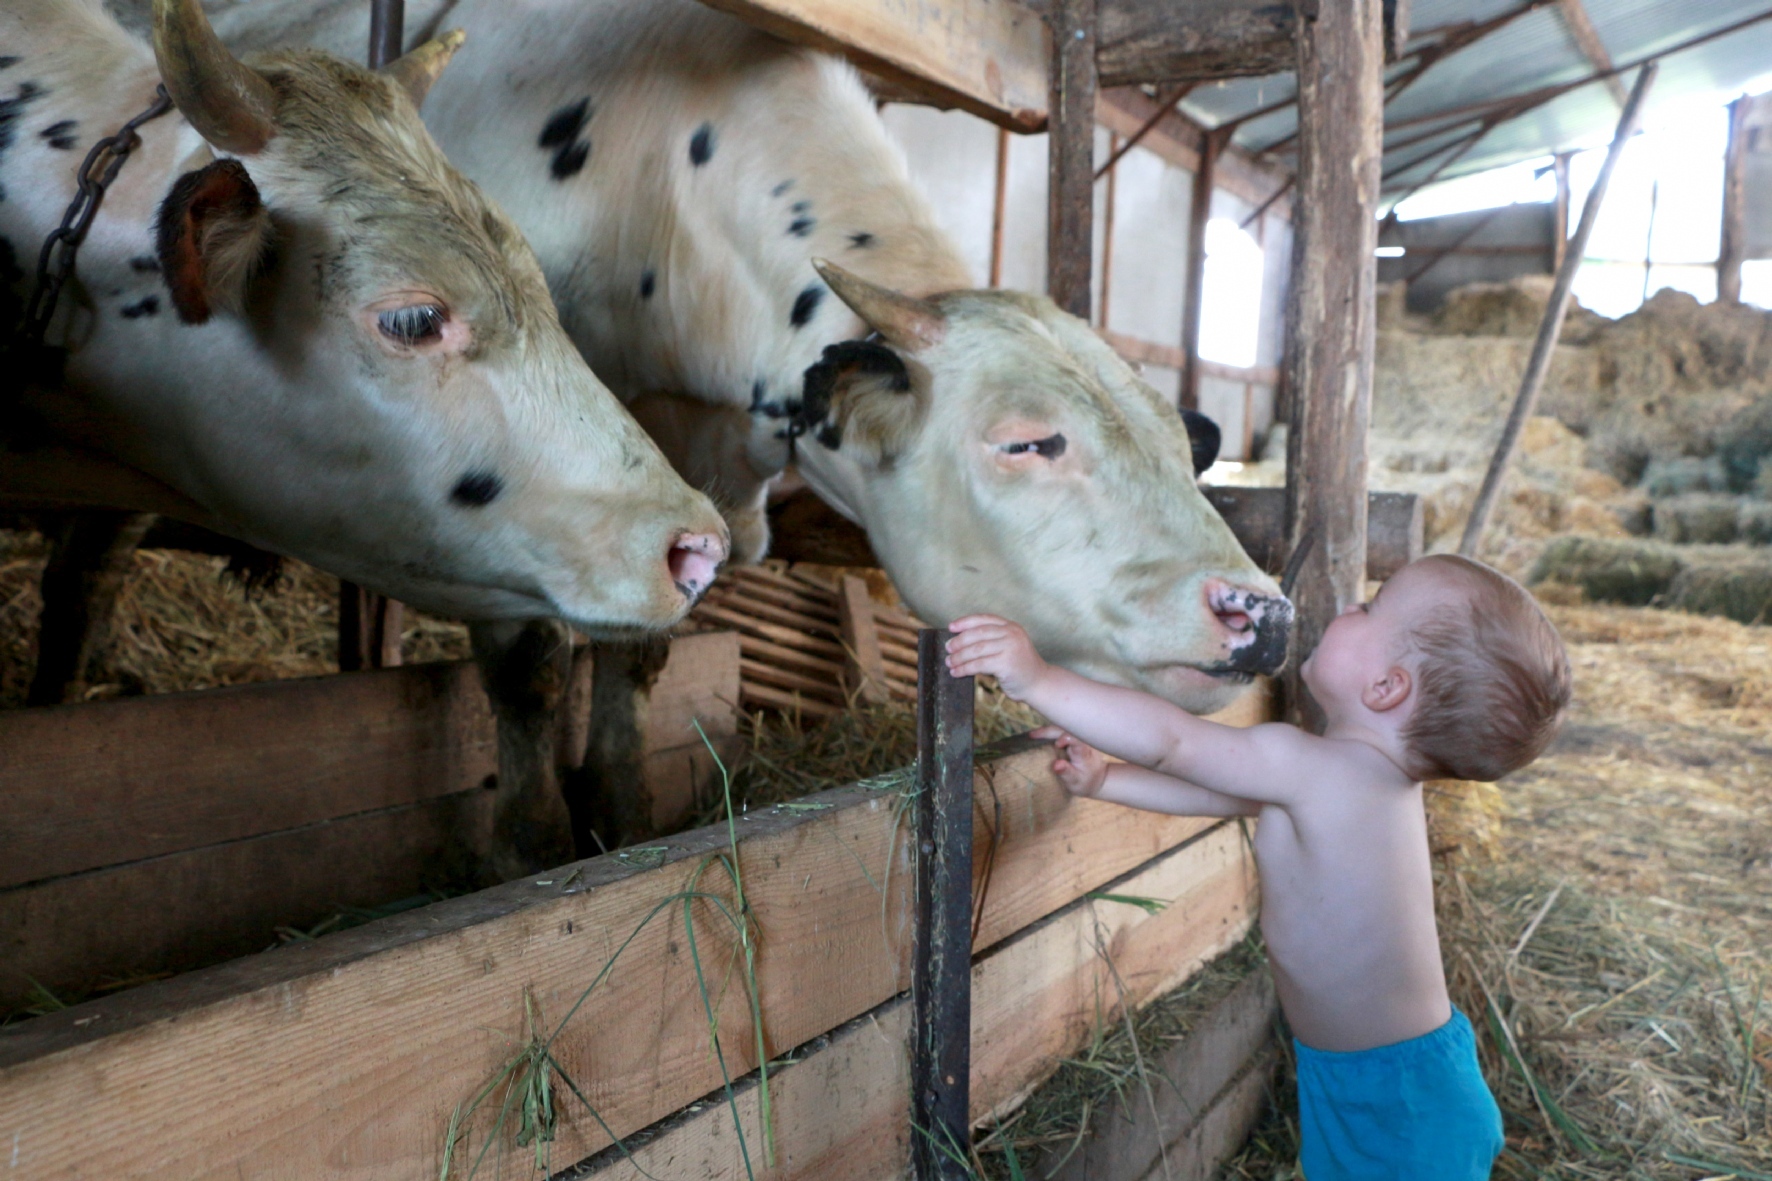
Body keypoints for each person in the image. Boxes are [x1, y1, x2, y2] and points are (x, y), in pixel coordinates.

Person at [945, 554, 1571, 1181]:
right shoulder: (1352, 782)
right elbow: (1218, 793)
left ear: (1387, 688)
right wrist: (1109, 778)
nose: (1350, 608)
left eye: (1371, 607)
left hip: (1395, 1101)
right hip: (1391, 1081)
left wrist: (1038, 678)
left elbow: (1177, 743)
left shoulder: (1317, 768)